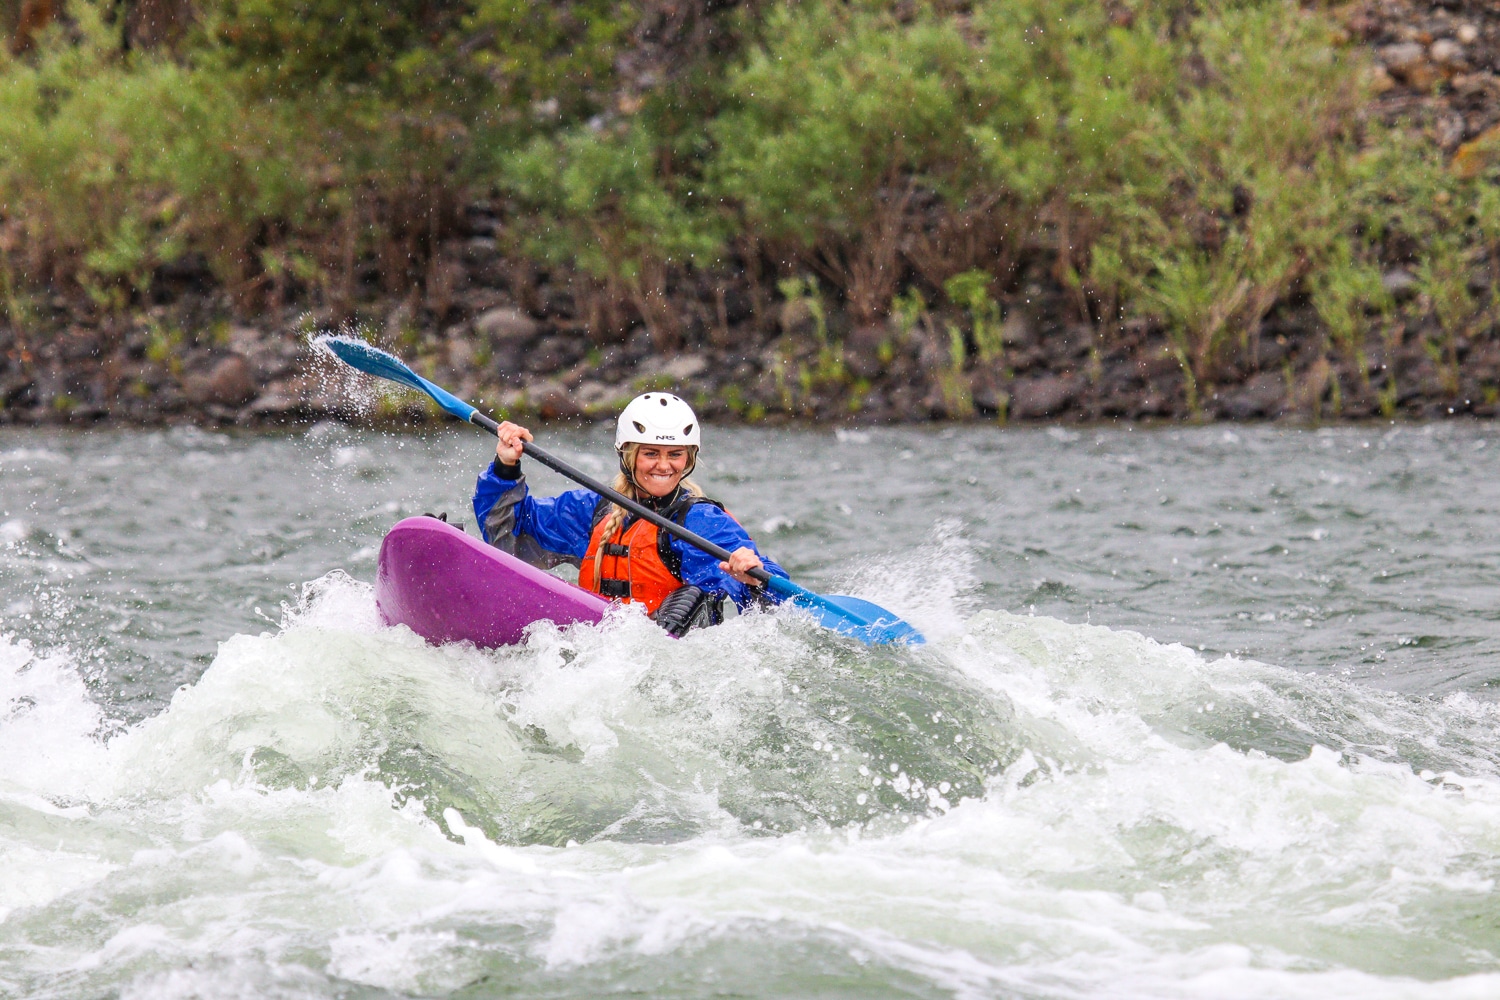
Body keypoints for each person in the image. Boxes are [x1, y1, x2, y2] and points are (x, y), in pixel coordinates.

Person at [472, 392, 788, 636]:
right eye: (650, 453)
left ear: (689, 459)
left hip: (670, 660)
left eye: (675, 455)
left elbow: (774, 596)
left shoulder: (700, 521)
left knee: (692, 598)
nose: (663, 465)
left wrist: (752, 579)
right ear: (627, 455)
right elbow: (509, 532)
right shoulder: (593, 510)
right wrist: (506, 465)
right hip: (601, 655)